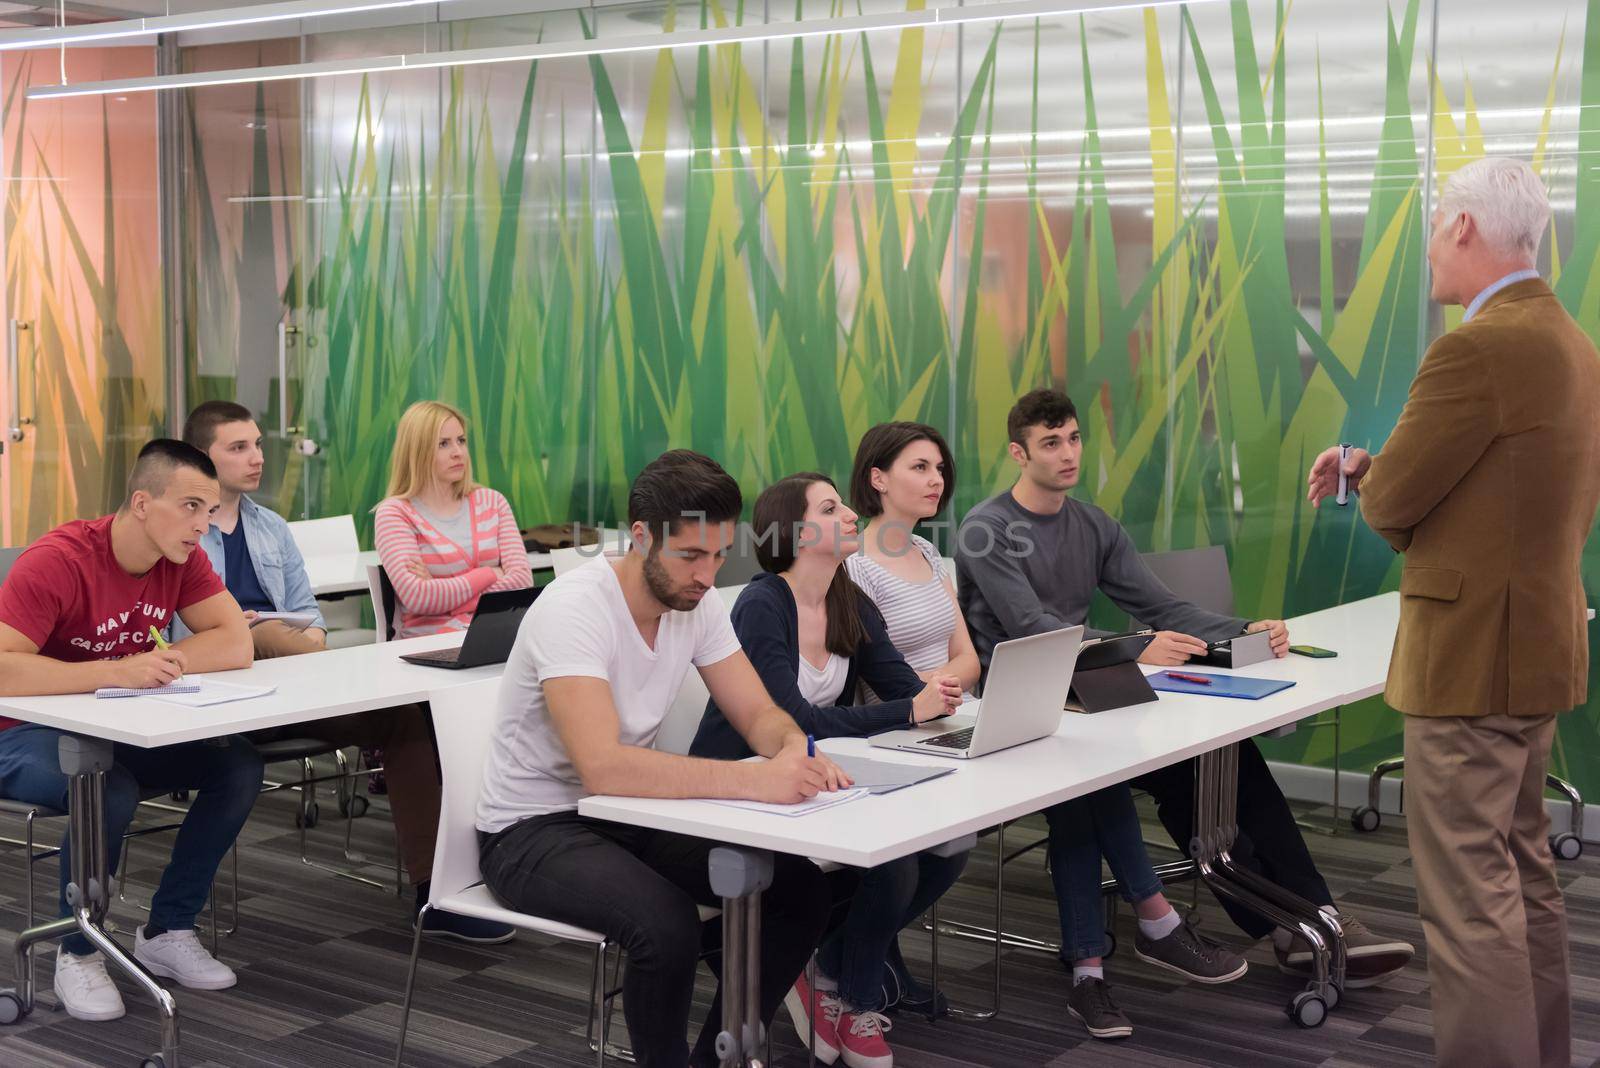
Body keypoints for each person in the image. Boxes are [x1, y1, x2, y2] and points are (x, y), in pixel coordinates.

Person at [959, 389, 1415, 999]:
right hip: (1021, 697)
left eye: (1073, 438)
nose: (1069, 454)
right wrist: (1134, 647)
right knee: (1182, 773)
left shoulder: (1093, 524)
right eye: (1051, 443)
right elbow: (1032, 631)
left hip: (1089, 684)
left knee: (1228, 759)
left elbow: (1160, 605)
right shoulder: (986, 529)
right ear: (1019, 453)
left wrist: (1242, 628)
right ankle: (1288, 926)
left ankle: (1315, 918)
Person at [1306, 157, 1599, 1068]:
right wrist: (1369, 462)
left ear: (1465, 227)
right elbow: (1497, 484)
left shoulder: (1475, 347)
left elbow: (1399, 509)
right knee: (1521, 879)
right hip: (1533, 648)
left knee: (1470, 903)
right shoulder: (1566, 339)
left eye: (1436, 227)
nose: (1431, 249)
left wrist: (1369, 476)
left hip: (1470, 662)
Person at [848, 422, 1244, 1042]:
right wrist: (933, 690)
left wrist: (945, 686)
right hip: (902, 732)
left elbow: (968, 658)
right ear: (877, 479)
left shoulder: (927, 554)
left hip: (964, 712)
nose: (936, 481)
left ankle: (1096, 965)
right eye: (919, 468)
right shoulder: (855, 568)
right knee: (1082, 785)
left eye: (938, 469)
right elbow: (880, 677)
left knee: (1086, 774)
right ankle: (1149, 926)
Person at [475, 450, 848, 1068]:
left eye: (721, 555)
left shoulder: (696, 605)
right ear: (642, 537)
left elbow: (759, 715)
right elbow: (604, 767)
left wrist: (790, 749)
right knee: (667, 925)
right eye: (692, 556)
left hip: (624, 816)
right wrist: (759, 784)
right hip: (530, 830)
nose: (708, 575)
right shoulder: (575, 609)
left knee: (799, 891)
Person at [179, 400, 509, 944]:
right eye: (239, 448)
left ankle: (437, 894)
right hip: (221, 690)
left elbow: (311, 618)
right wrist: (248, 635)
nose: (257, 457)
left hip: (293, 681)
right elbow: (180, 635)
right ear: (201, 456)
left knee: (404, 717)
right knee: (251, 634)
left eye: (258, 444)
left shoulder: (272, 528)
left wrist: (291, 638)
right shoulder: (184, 534)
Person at [690, 472, 966, 1068]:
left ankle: (821, 967)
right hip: (735, 783)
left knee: (952, 849)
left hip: (811, 778)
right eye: (831, 507)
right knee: (891, 869)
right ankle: (853, 994)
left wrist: (940, 697)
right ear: (794, 529)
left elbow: (900, 688)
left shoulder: (849, 599)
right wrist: (907, 708)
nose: (849, 517)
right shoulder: (763, 602)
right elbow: (794, 719)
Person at [0, 440, 260, 1022]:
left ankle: (167, 930)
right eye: (190, 506)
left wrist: (171, 663)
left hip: (115, 727)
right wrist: (116, 671)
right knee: (106, 787)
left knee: (237, 766)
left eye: (210, 511)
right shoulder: (59, 560)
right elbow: (2, 667)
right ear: (142, 503)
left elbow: (234, 639)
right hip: (18, 731)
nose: (203, 525)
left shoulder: (180, 557)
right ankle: (79, 951)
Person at [374, 400, 532, 640]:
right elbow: (418, 597)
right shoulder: (395, 514)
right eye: (443, 444)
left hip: (498, 636)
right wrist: (490, 574)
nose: (458, 452)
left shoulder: (492, 502)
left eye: (461, 440)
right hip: (430, 644)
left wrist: (446, 595)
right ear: (417, 451)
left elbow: (522, 582)